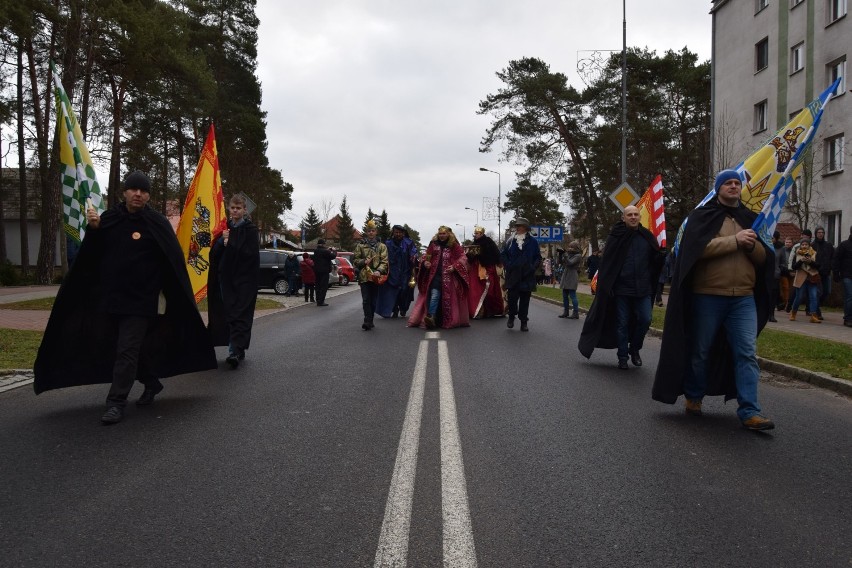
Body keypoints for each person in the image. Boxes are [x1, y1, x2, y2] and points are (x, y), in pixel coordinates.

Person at [33, 171, 217, 424]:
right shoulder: (109, 220)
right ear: (125, 192)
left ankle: (116, 402)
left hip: (142, 301)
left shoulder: (156, 223)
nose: (138, 194)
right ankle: (152, 382)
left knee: (127, 350)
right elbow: (92, 256)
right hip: (111, 299)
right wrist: (94, 230)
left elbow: (172, 262)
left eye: (143, 190)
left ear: (149, 195)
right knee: (124, 348)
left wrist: (170, 295)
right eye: (133, 189)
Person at [652, 169, 775, 431]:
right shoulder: (701, 217)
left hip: (743, 299)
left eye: (736, 183)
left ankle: (750, 411)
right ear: (718, 189)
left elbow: (765, 260)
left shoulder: (751, 220)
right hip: (707, 296)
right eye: (727, 183)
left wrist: (753, 246)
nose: (733, 186)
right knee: (700, 351)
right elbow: (694, 250)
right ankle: (694, 396)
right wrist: (735, 241)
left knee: (746, 353)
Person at [578, 205, 664, 368]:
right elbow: (607, 264)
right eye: (629, 215)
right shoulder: (616, 237)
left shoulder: (647, 237)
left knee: (645, 320)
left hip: (643, 288)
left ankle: (635, 349)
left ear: (640, 217)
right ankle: (623, 357)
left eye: (635, 214)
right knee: (622, 323)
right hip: (621, 289)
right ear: (623, 218)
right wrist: (606, 286)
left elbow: (654, 263)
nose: (633, 217)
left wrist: (660, 257)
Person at [207, 194, 260, 369]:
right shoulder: (224, 228)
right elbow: (214, 253)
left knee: (240, 313)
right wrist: (222, 240)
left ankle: (234, 351)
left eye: (239, 208)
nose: (235, 211)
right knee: (229, 313)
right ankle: (236, 348)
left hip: (244, 280)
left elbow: (250, 255)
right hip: (225, 278)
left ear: (245, 210)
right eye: (233, 207)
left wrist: (232, 242)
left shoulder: (250, 230)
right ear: (229, 209)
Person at [407, 226, 470, 329]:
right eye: (440, 234)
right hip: (434, 275)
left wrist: (454, 267)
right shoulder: (433, 244)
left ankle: (446, 319)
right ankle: (431, 317)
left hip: (449, 277)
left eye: (444, 234)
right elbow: (426, 255)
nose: (442, 235)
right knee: (435, 295)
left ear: (448, 234)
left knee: (447, 298)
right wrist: (426, 262)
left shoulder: (454, 245)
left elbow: (463, 258)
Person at [500, 217, 542, 332]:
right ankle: (511, 317)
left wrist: (532, 267)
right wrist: (509, 265)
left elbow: (538, 257)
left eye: (520, 226)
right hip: (513, 275)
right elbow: (503, 254)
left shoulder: (533, 241)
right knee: (512, 300)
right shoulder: (510, 241)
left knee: (525, 301)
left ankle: (524, 322)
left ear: (525, 228)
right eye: (517, 226)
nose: (517, 228)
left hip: (527, 276)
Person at [375, 224, 417, 318]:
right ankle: (394, 309)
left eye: (400, 232)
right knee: (392, 291)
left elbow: (414, 253)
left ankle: (403, 308)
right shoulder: (388, 243)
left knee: (404, 291)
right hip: (392, 272)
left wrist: (413, 257)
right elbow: (383, 256)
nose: (398, 234)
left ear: (403, 233)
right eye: (396, 232)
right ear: (393, 233)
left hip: (405, 271)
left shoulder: (409, 243)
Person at [353, 220, 389, 330]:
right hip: (364, 275)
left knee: (373, 300)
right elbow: (355, 260)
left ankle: (371, 319)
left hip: (376, 276)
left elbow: (385, 261)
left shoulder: (382, 246)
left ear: (376, 232)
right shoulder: (360, 246)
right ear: (366, 232)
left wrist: (379, 270)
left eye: (373, 231)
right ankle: (367, 320)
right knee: (366, 299)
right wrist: (363, 262)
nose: (371, 233)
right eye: (369, 231)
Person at [466, 225, 505, 318]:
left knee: (490, 289)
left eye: (478, 233)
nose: (476, 235)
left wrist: (498, 262)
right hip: (476, 270)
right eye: (475, 233)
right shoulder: (473, 243)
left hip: (488, 268)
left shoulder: (488, 241)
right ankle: (480, 311)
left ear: (482, 233)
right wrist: (470, 255)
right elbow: (470, 257)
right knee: (476, 290)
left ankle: (492, 310)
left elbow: (496, 252)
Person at [789, 239, 822, 323]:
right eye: (802, 244)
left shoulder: (814, 253)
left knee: (813, 296)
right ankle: (793, 313)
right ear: (800, 246)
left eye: (806, 244)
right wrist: (801, 261)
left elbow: (818, 265)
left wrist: (810, 262)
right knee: (799, 297)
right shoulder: (797, 254)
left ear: (809, 245)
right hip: (801, 278)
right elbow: (794, 267)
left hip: (811, 278)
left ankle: (813, 316)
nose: (804, 246)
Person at [811, 226, 834, 318]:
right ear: (816, 234)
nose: (820, 234)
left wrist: (831, 267)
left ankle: (815, 305)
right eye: (819, 232)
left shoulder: (828, 245)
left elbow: (833, 257)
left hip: (826, 272)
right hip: (816, 272)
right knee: (817, 292)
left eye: (822, 232)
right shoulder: (812, 245)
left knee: (827, 291)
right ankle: (817, 312)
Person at [832, 225, 852, 327]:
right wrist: (836, 273)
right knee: (849, 296)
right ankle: (848, 318)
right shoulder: (844, 245)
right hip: (847, 275)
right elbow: (836, 259)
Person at [557, 241, 582, 319]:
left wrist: (565, 254)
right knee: (564, 295)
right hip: (566, 274)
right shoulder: (568, 254)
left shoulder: (578, 255)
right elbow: (560, 262)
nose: (570, 248)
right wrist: (560, 254)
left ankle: (575, 313)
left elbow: (570, 263)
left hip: (572, 275)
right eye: (569, 247)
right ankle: (566, 312)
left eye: (572, 247)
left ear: (576, 248)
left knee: (572, 295)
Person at [312, 238, 337, 306]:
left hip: (317, 271)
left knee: (317, 286)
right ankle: (321, 301)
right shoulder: (325, 251)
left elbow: (323, 254)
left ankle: (317, 300)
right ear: (323, 244)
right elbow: (333, 256)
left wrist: (328, 250)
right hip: (324, 271)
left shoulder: (316, 251)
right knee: (323, 286)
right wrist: (334, 250)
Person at [777, 236, 793, 312]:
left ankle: (787, 304)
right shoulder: (781, 250)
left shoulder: (794, 250)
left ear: (792, 243)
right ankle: (786, 304)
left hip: (792, 272)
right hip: (783, 272)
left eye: (789, 242)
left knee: (791, 289)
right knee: (785, 288)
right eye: (787, 242)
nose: (788, 244)